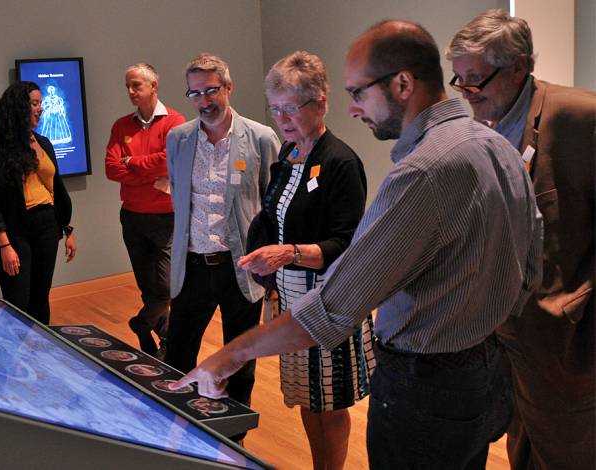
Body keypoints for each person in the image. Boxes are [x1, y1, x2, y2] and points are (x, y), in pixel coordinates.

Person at [173, 21, 543, 469]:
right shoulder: (497, 144)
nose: (351, 109)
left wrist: (230, 355)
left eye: (358, 93)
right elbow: (530, 268)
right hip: (484, 368)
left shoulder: (422, 173)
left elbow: (335, 305)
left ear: (403, 84)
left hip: (424, 387)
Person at [447, 10, 595, 469]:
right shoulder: (480, 127)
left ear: (519, 67)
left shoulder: (577, 117)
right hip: (505, 336)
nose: (467, 93)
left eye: (477, 80)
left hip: (567, 339)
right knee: (521, 450)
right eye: (460, 80)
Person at [237, 51, 372, 470]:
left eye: (290, 108)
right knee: (309, 398)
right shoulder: (288, 157)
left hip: (328, 302)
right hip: (291, 299)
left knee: (329, 403)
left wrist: (289, 253)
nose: (281, 119)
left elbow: (347, 244)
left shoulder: (341, 162)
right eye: (275, 109)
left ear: (320, 102)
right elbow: (275, 218)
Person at [164, 53, 280, 421]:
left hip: (240, 270)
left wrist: (272, 274)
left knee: (240, 359)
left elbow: (273, 206)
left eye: (211, 90)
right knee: (177, 356)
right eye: (195, 93)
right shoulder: (178, 139)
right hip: (193, 267)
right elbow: (177, 194)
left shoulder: (260, 138)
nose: (203, 101)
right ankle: (178, 432)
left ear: (229, 88)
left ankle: (235, 436)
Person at [0, 81, 77, 325]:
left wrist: (68, 229)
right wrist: (4, 245)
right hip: (15, 231)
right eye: (34, 103)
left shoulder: (43, 143)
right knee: (17, 301)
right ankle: (10, 357)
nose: (40, 109)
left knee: (40, 298)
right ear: (18, 107)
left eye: (40, 103)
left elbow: (56, 188)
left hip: (46, 226)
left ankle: (39, 356)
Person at [105, 63, 186, 356]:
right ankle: (166, 342)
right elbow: (111, 168)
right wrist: (150, 171)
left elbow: (168, 162)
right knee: (148, 289)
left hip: (166, 216)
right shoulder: (121, 126)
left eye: (136, 85)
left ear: (154, 86)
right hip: (132, 217)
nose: (130, 91)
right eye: (127, 86)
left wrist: (133, 163)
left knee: (164, 289)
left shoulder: (175, 123)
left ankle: (141, 325)